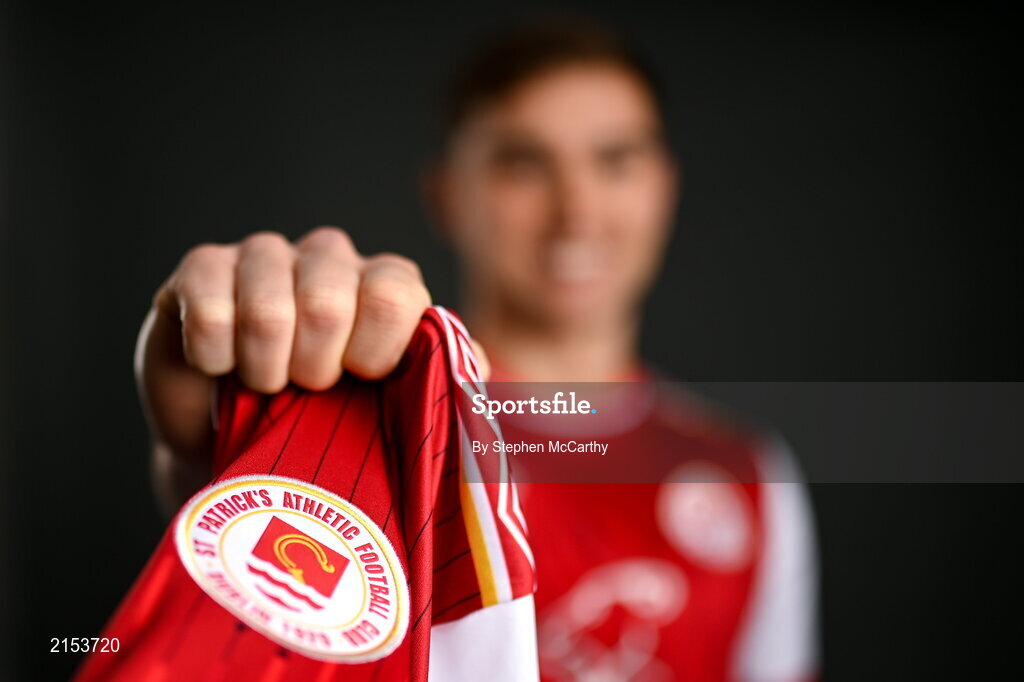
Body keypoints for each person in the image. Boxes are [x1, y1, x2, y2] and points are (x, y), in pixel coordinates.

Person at [137, 17, 819, 681]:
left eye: (616, 160)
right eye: (524, 164)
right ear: (446, 195)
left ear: (664, 186)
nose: (577, 212)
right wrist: (218, 417)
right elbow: (232, 578)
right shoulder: (365, 429)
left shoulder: (753, 475)